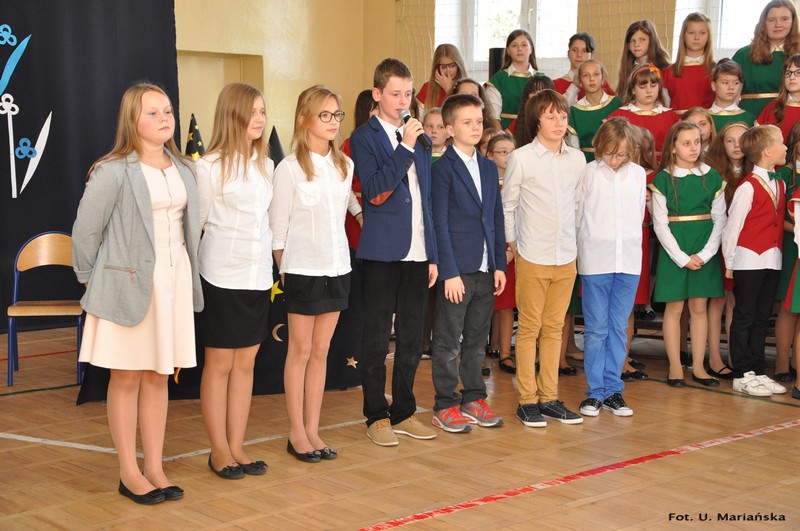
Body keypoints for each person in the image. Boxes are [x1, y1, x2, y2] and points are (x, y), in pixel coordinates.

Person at [72, 83, 203, 504]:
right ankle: (129, 471)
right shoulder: (112, 170)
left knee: (158, 375)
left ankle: (155, 467)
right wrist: (93, 280)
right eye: (153, 112)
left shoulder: (184, 168)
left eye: (168, 111)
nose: (165, 118)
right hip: (126, 285)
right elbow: (85, 232)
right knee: (127, 377)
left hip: (173, 282)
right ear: (132, 120)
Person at [349, 58, 438, 446]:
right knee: (375, 338)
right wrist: (405, 147)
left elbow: (426, 200)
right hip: (382, 252)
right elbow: (375, 192)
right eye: (396, 94)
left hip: (417, 252)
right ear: (377, 94)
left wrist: (433, 254)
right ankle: (376, 415)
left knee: (412, 338)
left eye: (409, 94)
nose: (404, 101)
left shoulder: (419, 137)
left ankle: (404, 410)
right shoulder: (364, 137)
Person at [270, 85, 355, 462]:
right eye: (325, 115)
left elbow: (342, 216)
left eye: (337, 115)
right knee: (300, 351)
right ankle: (296, 433)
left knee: (321, 352)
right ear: (304, 118)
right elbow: (278, 231)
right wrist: (286, 270)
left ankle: (313, 430)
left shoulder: (344, 165)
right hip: (302, 271)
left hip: (337, 268)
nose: (333, 122)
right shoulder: (288, 169)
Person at [196, 83, 274, 480]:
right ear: (233, 115)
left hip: (257, 276)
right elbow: (196, 225)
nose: (259, 119)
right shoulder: (209, 167)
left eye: (262, 111)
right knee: (220, 364)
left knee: (246, 364)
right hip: (221, 276)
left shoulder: (266, 165)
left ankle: (237, 445)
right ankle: (218, 450)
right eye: (252, 112)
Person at [502, 89, 586, 427]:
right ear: (537, 120)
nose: (559, 122)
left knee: (555, 328)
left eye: (563, 116)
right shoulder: (522, 158)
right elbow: (508, 205)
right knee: (529, 329)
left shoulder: (577, 159)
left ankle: (549, 397)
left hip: (566, 255)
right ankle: (527, 400)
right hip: (532, 253)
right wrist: (513, 245)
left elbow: (578, 206)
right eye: (551, 116)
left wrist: (574, 243)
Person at [430, 93, 507, 432]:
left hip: (485, 268)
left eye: (478, 121)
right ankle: (445, 403)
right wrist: (448, 272)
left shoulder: (488, 167)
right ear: (449, 129)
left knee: (477, 339)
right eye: (467, 122)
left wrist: (499, 264)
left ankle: (474, 397)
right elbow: (439, 223)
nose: (475, 127)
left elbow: (496, 217)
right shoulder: (442, 169)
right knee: (449, 341)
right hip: (457, 271)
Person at [576, 117, 646, 417]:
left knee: (619, 327)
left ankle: (613, 391)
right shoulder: (588, 172)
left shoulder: (638, 174)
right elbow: (578, 214)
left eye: (621, 155)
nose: (615, 160)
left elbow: (638, 214)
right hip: (595, 260)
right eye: (609, 154)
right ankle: (594, 393)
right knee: (596, 329)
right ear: (599, 148)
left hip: (628, 260)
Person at [650, 121, 725, 388]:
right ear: (673, 147)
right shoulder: (662, 180)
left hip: (704, 247)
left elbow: (720, 219)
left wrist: (705, 254)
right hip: (675, 250)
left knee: (699, 307)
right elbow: (660, 224)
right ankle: (674, 367)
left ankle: (700, 367)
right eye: (686, 143)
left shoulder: (712, 176)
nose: (693, 148)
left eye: (697, 142)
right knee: (674, 308)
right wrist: (681, 258)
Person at [723, 124, 788, 396]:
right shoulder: (747, 187)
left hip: (772, 259)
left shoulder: (780, 182)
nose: (785, 147)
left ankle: (758, 370)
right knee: (745, 316)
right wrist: (729, 263)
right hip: (748, 260)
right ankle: (742, 373)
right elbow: (732, 228)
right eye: (781, 142)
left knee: (762, 317)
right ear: (767, 151)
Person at [705, 121, 750, 379]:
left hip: (746, 246)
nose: (736, 146)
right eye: (729, 140)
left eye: (741, 140)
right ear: (721, 143)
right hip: (720, 243)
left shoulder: (755, 170)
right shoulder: (714, 172)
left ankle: (736, 357)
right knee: (718, 300)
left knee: (736, 302)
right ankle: (714, 358)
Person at [733, 0, 800, 117]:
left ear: (793, 21)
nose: (778, 24)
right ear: (763, 23)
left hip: (793, 119)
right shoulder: (743, 55)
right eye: (772, 20)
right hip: (750, 117)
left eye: (784, 19)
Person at [486, 133, 517, 375]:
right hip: (486, 248)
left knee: (506, 304)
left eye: (511, 152)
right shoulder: (485, 182)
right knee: (482, 304)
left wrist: (510, 249)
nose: (508, 157)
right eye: (502, 152)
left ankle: (506, 353)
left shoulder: (518, 183)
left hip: (511, 250)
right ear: (489, 155)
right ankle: (480, 352)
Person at [774, 122, 800, 383]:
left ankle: (796, 363)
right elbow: (775, 216)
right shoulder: (784, 174)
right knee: (787, 306)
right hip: (791, 245)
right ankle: (781, 362)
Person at [609, 64, 680, 159]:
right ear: (633, 89)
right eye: (643, 87)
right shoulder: (619, 115)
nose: (649, 91)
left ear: (659, 88)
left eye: (653, 86)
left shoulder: (671, 116)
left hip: (662, 165)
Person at [567, 59, 622, 162]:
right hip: (586, 163)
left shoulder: (617, 104)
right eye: (586, 75)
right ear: (580, 81)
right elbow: (574, 148)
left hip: (615, 161)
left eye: (596, 74)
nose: (591, 79)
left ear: (603, 78)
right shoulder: (574, 111)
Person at [662, 13, 716, 114]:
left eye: (702, 33)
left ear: (708, 37)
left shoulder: (717, 70)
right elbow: (665, 108)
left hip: (708, 121)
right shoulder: (668, 73)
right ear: (683, 35)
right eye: (691, 33)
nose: (696, 38)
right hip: (677, 122)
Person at [342, 89, 375, 250]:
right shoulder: (350, 144)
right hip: (358, 209)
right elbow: (345, 184)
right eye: (376, 109)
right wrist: (359, 214)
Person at [486, 29, 538, 129]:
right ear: (508, 51)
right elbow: (493, 116)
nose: (519, 49)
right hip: (505, 131)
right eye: (514, 45)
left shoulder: (541, 78)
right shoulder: (499, 79)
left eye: (524, 45)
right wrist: (502, 136)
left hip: (534, 131)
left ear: (531, 49)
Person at [553, 32, 614, 106]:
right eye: (574, 50)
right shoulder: (556, 85)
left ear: (591, 55)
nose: (579, 55)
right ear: (568, 53)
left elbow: (613, 107)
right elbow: (558, 109)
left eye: (584, 51)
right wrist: (574, 86)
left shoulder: (601, 83)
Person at [616, 20, 671, 98]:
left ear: (652, 41)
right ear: (628, 45)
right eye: (632, 41)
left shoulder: (664, 68)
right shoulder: (627, 69)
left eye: (642, 40)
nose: (636, 44)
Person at [417, 44, 468, 118]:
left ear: (458, 66)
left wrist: (449, 90)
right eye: (443, 67)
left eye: (452, 66)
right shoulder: (427, 88)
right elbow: (419, 118)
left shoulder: (467, 87)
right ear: (436, 68)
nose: (448, 71)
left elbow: (465, 115)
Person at [758, 54, 800, 141]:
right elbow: (759, 143)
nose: (791, 77)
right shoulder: (773, 107)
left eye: (798, 73)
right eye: (788, 73)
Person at [708, 59, 757, 131]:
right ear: (714, 86)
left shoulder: (748, 119)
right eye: (725, 82)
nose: (731, 87)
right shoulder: (704, 117)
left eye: (736, 83)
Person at [510, 74, 555, 147]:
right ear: (527, 97)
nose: (538, 96)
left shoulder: (558, 122)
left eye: (542, 92)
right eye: (534, 92)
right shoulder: (519, 122)